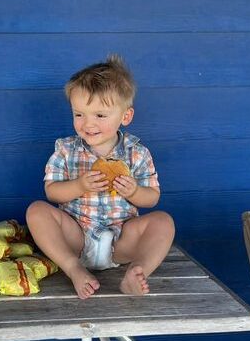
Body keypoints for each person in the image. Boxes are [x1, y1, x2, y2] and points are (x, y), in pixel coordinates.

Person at [26, 55, 175, 299]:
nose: (88, 124)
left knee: (163, 222)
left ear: (125, 116)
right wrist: (79, 185)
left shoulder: (136, 153)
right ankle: (73, 268)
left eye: (100, 115)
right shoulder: (66, 149)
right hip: (76, 236)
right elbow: (51, 192)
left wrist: (134, 192)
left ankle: (137, 272)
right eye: (79, 114)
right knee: (36, 211)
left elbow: (152, 198)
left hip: (121, 239)